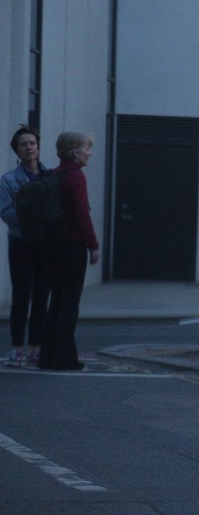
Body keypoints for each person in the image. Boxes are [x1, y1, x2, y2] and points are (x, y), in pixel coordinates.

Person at [38, 132, 99, 371]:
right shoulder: (76, 177)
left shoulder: (55, 174)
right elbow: (82, 215)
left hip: (53, 246)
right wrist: (93, 245)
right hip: (72, 246)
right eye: (87, 148)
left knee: (56, 300)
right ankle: (65, 359)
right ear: (75, 152)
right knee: (70, 303)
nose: (90, 152)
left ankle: (47, 357)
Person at [0, 126, 50, 365]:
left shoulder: (50, 176)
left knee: (42, 295)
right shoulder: (8, 180)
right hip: (20, 243)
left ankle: (36, 347)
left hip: (46, 244)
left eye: (32, 143)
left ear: (38, 147)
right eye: (24, 145)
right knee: (21, 295)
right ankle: (17, 347)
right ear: (17, 151)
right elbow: (7, 213)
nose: (29, 147)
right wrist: (35, 214)